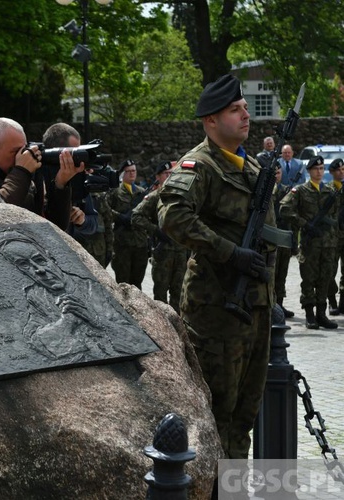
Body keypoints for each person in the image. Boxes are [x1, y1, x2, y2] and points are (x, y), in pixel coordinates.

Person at [159, 74, 276, 459]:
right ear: (211, 121)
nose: (246, 115)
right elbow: (172, 216)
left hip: (254, 309)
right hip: (217, 312)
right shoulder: (200, 165)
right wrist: (229, 252)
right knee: (216, 418)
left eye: (245, 108)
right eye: (235, 110)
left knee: (244, 419)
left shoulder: (253, 168)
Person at [0, 227, 154, 361]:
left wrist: (96, 320)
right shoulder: (35, 296)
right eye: (24, 265)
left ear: (51, 257)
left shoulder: (90, 287)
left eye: (40, 260)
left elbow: (139, 341)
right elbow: (35, 341)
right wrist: (66, 323)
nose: (39, 270)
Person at [0, 117, 82, 231]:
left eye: (23, 149)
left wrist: (60, 184)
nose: (22, 155)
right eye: (16, 151)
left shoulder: (20, 175)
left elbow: (55, 226)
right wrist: (22, 171)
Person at [280, 155, 340, 330]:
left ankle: (322, 314)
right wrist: (304, 224)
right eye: (315, 169)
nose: (319, 172)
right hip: (310, 244)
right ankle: (310, 315)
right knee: (309, 279)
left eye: (321, 169)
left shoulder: (330, 191)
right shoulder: (300, 191)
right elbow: (285, 209)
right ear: (309, 171)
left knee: (326, 278)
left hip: (328, 243)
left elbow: (336, 214)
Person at [132, 161, 188, 312]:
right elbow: (136, 216)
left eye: (172, 173)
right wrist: (155, 230)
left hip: (182, 254)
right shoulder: (154, 197)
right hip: (162, 253)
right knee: (160, 298)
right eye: (166, 174)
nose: (170, 176)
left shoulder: (183, 196)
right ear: (158, 177)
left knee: (179, 294)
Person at [41, 123, 98, 238]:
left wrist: (82, 220)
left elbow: (93, 224)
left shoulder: (77, 178)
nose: (78, 159)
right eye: (74, 153)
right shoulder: (35, 179)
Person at [107, 159, 150, 288]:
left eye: (134, 171)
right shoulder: (115, 191)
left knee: (137, 283)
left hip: (140, 243)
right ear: (122, 173)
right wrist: (120, 217)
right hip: (122, 244)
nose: (132, 174)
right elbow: (105, 209)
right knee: (123, 283)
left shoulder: (142, 192)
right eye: (128, 171)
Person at [272, 164, 295, 318]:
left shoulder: (287, 191)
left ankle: (279, 305)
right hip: (270, 239)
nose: (276, 175)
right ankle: (271, 305)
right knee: (271, 273)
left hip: (284, 237)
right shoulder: (265, 192)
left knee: (282, 273)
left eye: (278, 172)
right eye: (274, 172)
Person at [325, 158, 344, 316]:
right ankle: (332, 301)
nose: (341, 172)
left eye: (343, 169)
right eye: (338, 170)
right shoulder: (328, 190)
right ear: (331, 172)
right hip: (332, 236)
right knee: (330, 271)